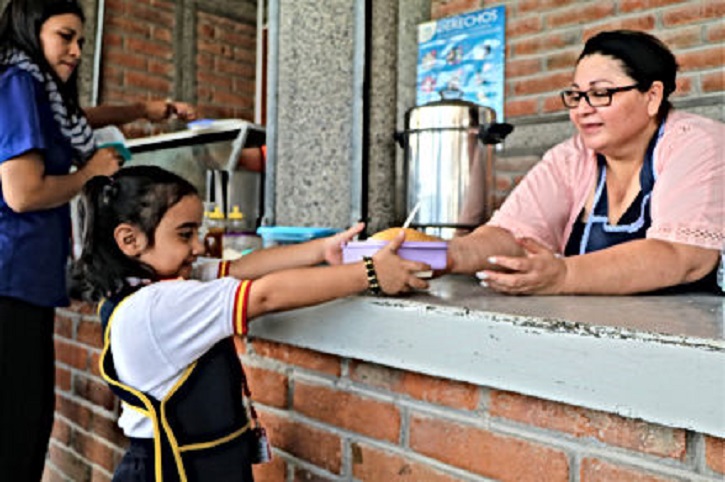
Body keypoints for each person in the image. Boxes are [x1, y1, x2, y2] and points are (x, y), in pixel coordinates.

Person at [78, 165, 428, 481]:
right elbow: (264, 295)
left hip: (191, 460)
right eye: (185, 234)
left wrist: (321, 251)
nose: (199, 246)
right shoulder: (162, 304)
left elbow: (242, 268)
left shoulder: (145, 289)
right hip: (175, 468)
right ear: (130, 240)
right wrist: (368, 274)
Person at [0, 0, 195, 479]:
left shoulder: (34, 87)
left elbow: (77, 116)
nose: (76, 51)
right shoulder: (18, 82)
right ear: (31, 30)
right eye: (65, 36)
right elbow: (23, 193)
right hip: (9, 280)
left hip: (22, 282)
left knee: (24, 427)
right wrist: (90, 172)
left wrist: (145, 110)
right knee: (16, 434)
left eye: (81, 41)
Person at [447, 30, 724, 295]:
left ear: (652, 96)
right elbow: (511, 235)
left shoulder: (699, 143)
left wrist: (564, 275)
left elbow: (684, 255)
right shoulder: (571, 158)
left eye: (600, 93)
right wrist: (442, 256)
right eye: (576, 95)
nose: (582, 109)